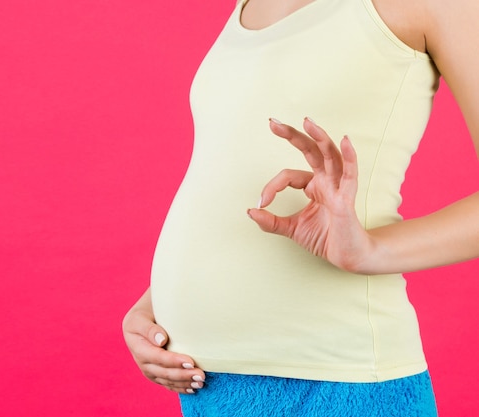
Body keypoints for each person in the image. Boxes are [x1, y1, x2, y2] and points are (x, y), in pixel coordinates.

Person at [123, 0, 479, 415]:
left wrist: (371, 251)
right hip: (210, 384)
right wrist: (154, 305)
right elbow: (228, 174)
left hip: (340, 382)